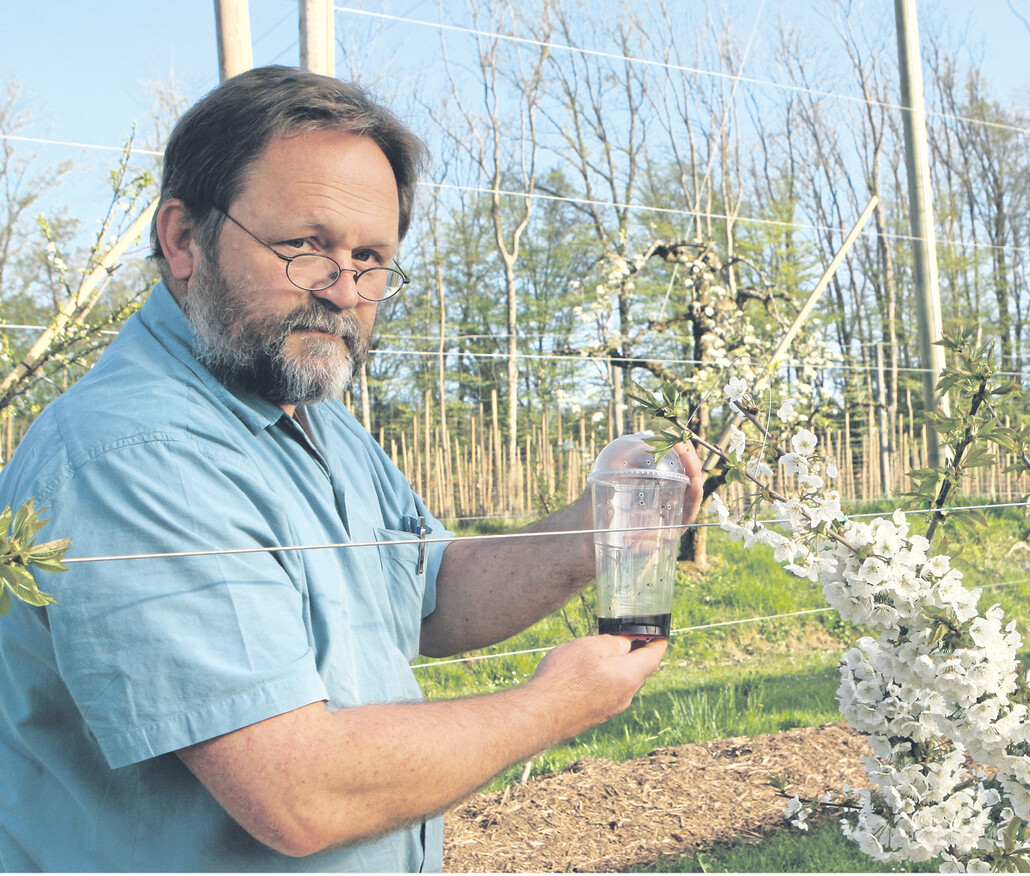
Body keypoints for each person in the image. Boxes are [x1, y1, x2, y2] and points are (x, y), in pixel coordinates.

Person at [0, 65, 703, 872]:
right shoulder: (136, 454)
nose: (343, 290)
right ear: (184, 239)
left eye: (371, 258)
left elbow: (430, 589)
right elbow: (300, 793)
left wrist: (598, 527)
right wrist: (553, 706)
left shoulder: (305, 410)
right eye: (305, 246)